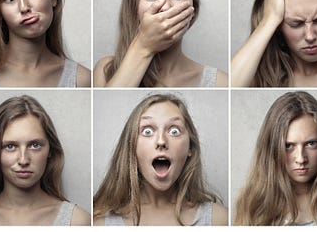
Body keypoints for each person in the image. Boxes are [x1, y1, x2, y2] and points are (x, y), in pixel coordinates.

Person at [233, 91, 317, 225]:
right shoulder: (250, 201)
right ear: (271, 148)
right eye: (288, 146)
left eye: (311, 144)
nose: (301, 159)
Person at [94, 93, 227, 225]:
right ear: (131, 147)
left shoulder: (220, 220)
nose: (161, 141)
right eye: (147, 131)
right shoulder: (98, 223)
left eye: (174, 131)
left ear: (190, 148)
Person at [94, 0, 227, 88]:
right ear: (133, 10)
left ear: (193, 10)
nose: (166, 6)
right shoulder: (105, 70)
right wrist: (143, 45)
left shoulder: (221, 83)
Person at [0, 95, 90, 225]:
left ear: (50, 150)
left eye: (35, 145)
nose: (23, 160)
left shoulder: (77, 221)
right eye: (10, 146)